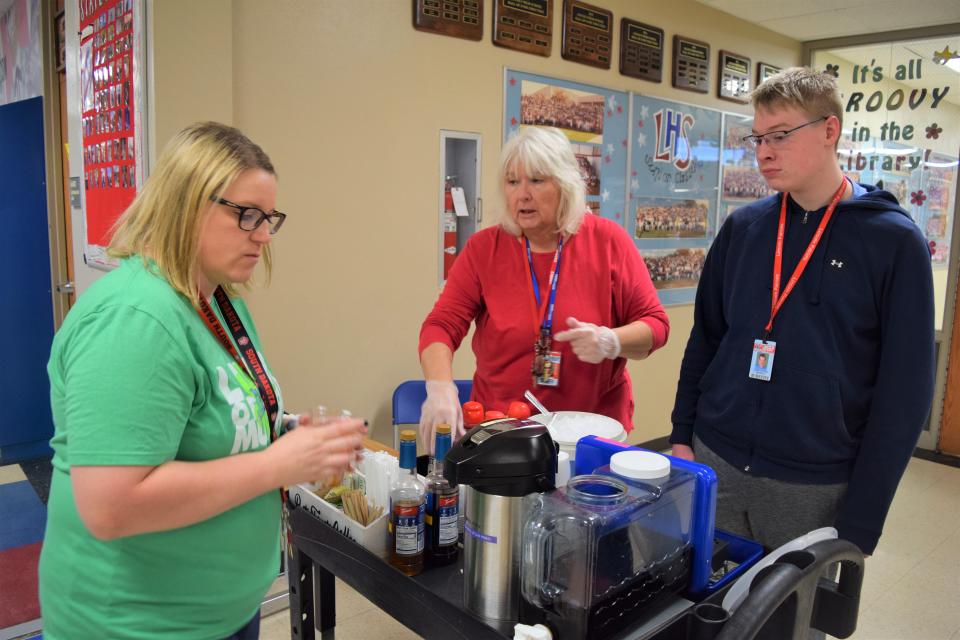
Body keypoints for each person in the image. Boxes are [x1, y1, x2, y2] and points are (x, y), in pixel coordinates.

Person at [39, 122, 367, 640]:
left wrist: (282, 433)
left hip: (217, 610)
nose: (263, 235)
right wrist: (276, 464)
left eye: (270, 218)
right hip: (137, 623)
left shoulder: (215, 297)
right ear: (186, 203)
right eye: (247, 216)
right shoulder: (136, 319)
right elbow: (110, 505)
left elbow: (205, 423)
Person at [670, 67, 935, 558]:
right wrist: (682, 436)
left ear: (829, 130)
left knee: (789, 623)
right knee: (707, 612)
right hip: (716, 457)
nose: (764, 151)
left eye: (781, 135)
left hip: (811, 483)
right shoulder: (745, 228)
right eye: (758, 137)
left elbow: (906, 393)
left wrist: (862, 517)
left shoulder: (894, 242)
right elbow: (706, 340)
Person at [418, 126, 670, 448]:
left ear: (565, 185)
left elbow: (656, 325)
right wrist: (440, 385)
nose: (522, 194)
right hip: (502, 428)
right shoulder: (485, 248)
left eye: (536, 180)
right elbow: (441, 324)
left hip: (589, 436)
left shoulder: (608, 241)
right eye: (512, 182)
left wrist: (612, 341)